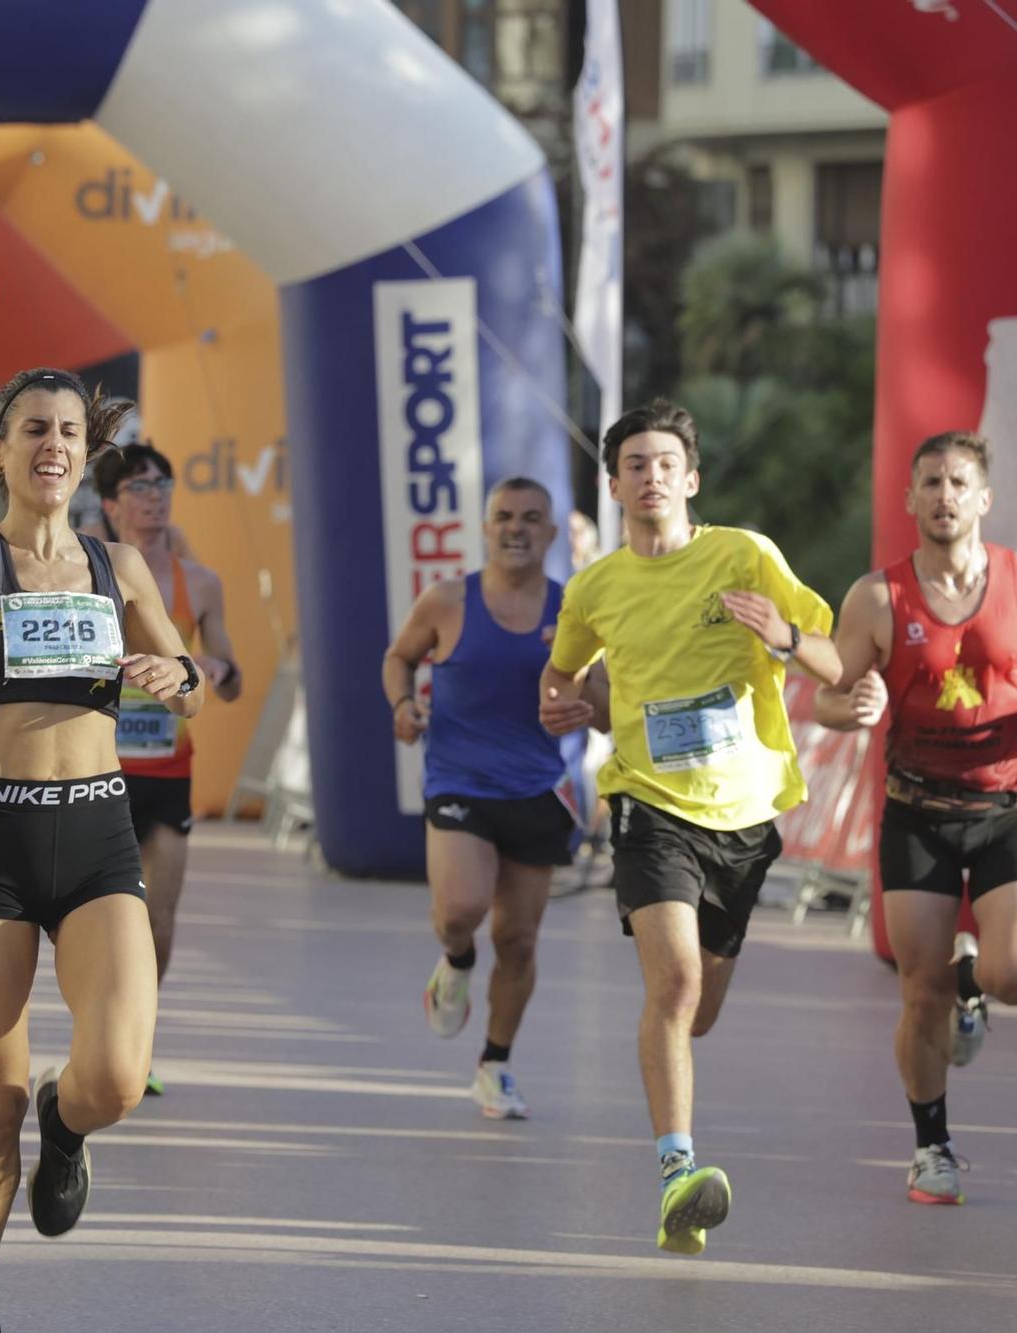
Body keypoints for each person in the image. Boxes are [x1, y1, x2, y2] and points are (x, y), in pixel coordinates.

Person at [0, 253, 203, 1333]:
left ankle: (67, 1136)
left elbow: (189, 683)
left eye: (69, 430)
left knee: (110, 1077)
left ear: (85, 450)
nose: (54, 445)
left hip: (98, 830)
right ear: (1, 452)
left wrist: (177, 676)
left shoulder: (122, 568)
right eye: (33, 429)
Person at [540, 400, 839, 1256]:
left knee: (699, 1009)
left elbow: (831, 657)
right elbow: (561, 683)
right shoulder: (595, 587)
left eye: (666, 461)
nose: (651, 475)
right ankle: (678, 1171)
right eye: (634, 463)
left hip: (744, 815)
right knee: (671, 987)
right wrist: (574, 704)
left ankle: (675, 1100)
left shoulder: (744, 555)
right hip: (647, 807)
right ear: (614, 485)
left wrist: (783, 636)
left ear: (691, 478)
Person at [814, 430, 1017, 1205]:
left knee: (1008, 973)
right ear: (909, 498)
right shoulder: (876, 596)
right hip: (918, 812)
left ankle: (976, 979)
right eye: (929, 482)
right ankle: (931, 1147)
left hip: (1005, 806)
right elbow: (832, 692)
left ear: (983, 498)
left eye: (958, 482)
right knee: (917, 993)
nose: (943, 495)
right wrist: (853, 704)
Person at [384, 478, 606, 1119]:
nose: (516, 528)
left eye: (531, 518)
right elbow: (398, 658)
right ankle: (455, 960)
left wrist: (581, 697)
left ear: (552, 533)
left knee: (519, 941)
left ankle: (495, 1065)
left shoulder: (575, 613)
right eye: (504, 517)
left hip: (539, 791)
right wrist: (402, 703)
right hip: (459, 781)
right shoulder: (449, 600)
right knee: (460, 909)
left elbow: (610, 713)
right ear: (485, 528)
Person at [86, 443, 242, 1097]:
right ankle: (100, 1031)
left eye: (163, 485)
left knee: (160, 919)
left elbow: (230, 678)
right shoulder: (86, 569)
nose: (155, 497)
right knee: (98, 916)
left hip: (168, 768)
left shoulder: (199, 582)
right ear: (114, 504)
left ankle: (139, 1038)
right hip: (96, 766)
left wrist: (211, 670)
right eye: (141, 487)